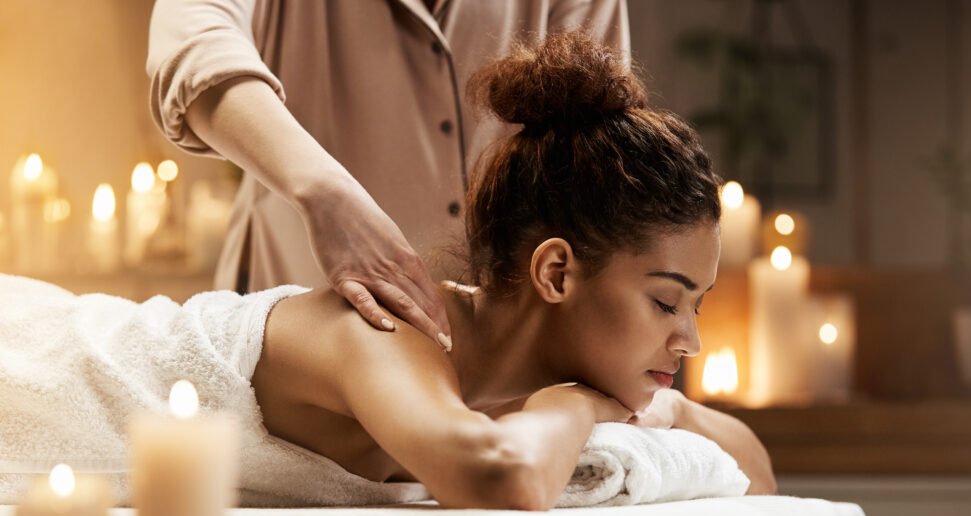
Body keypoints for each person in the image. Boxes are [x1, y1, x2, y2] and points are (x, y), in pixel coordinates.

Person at [1, 33, 774, 508]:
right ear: (557, 273)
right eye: (668, 302)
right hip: (30, 377)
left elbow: (753, 466)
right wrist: (577, 405)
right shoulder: (388, 327)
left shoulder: (512, 392)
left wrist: (642, 409)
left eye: (696, 307)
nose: (691, 342)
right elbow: (502, 481)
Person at [146, 0, 630, 352]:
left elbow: (594, 154)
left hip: (500, 372)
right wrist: (326, 195)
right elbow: (192, 43)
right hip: (296, 339)